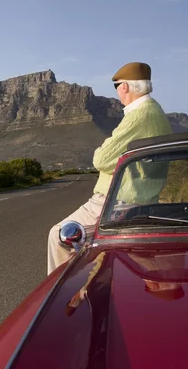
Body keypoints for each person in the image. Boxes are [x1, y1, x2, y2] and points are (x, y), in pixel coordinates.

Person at [46, 61, 173, 275]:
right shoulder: (156, 111)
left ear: (124, 86)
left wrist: (104, 147)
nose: (117, 92)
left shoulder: (139, 115)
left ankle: (64, 298)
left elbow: (101, 159)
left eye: (117, 87)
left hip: (117, 201)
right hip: (143, 199)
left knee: (58, 235)